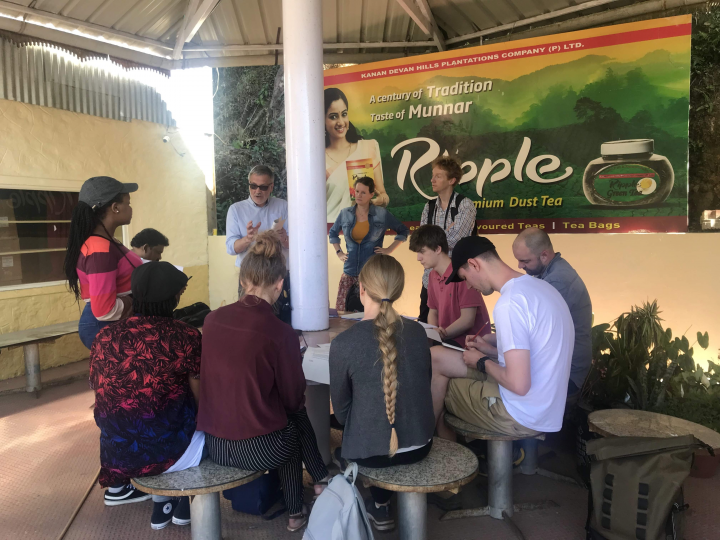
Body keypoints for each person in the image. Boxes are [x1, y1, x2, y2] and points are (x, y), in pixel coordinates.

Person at [197, 231, 330, 533]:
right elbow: (294, 397)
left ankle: (318, 482)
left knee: (287, 422)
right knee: (292, 423)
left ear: (243, 281)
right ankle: (299, 508)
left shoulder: (211, 320)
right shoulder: (280, 332)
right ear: (280, 285)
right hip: (259, 449)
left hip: (215, 444)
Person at [89, 262, 203, 530]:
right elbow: (200, 403)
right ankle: (188, 498)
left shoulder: (103, 338)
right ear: (174, 298)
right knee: (208, 426)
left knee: (153, 419)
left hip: (118, 457)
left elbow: (102, 397)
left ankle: (161, 504)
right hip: (171, 455)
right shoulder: (185, 336)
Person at [430, 236, 574, 441]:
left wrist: (481, 361)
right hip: (545, 405)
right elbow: (539, 350)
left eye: (464, 278)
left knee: (441, 388)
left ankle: (433, 450)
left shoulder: (510, 303)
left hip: (520, 414)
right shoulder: (541, 288)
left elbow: (518, 384)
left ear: (473, 264)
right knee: (436, 356)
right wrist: (494, 348)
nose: (469, 287)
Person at [330, 254, 435, 532]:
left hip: (370, 454)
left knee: (347, 438)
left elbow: (341, 414)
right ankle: (383, 504)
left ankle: (379, 504)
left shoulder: (343, 343)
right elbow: (424, 385)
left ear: (361, 288)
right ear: (398, 290)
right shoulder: (419, 333)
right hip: (420, 445)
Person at [64, 176, 142, 349]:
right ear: (115, 208)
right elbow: (105, 309)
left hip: (111, 324)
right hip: (106, 327)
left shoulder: (105, 242)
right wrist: (135, 301)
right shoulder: (99, 249)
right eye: (128, 203)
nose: (130, 208)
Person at [512, 227, 592, 395]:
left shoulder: (558, 280)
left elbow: (537, 331)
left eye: (525, 261)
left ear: (544, 255)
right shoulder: (551, 271)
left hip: (569, 373)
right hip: (562, 365)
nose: (520, 266)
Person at [329, 177, 409, 312]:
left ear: (372, 195)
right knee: (346, 315)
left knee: (373, 314)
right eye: (357, 191)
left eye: (363, 192)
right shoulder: (345, 214)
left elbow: (403, 230)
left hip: (372, 274)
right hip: (350, 272)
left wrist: (389, 250)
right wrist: (339, 252)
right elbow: (333, 233)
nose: (358, 195)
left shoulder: (381, 214)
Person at [409, 225, 491, 348]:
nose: (418, 258)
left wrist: (440, 336)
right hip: (447, 340)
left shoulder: (463, 273)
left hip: (469, 344)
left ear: (437, 249)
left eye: (422, 252)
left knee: (430, 356)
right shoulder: (432, 275)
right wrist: (434, 333)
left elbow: (467, 320)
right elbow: (433, 311)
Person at [418, 156, 477, 323]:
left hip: (457, 278)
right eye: (432, 175)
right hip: (430, 278)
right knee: (426, 326)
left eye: (438, 176)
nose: (432, 179)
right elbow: (422, 241)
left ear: (452, 180)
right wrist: (446, 232)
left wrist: (434, 239)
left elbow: (457, 239)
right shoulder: (428, 207)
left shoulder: (465, 205)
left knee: (454, 328)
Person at [325, 88, 389, 222]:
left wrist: (379, 200)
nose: (341, 122)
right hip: (330, 234)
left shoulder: (367, 148)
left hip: (364, 231)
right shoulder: (317, 159)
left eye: (344, 114)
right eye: (333, 116)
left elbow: (384, 195)